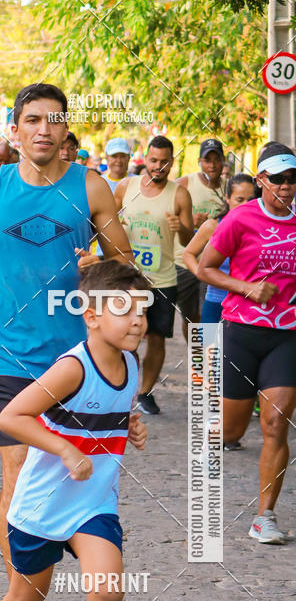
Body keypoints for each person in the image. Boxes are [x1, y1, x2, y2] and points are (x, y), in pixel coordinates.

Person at [0, 82, 133, 601]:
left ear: (65, 128)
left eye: (54, 120)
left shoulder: (91, 188)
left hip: (75, 361)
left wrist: (99, 262)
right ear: (15, 130)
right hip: (8, 353)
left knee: (43, 483)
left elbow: (125, 266)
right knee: (23, 474)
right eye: (32, 120)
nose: (43, 129)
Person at [0, 261, 150, 601]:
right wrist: (63, 448)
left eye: (142, 310)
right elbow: (13, 418)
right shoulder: (72, 368)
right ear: (92, 316)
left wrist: (131, 425)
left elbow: (114, 410)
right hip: (40, 505)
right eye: (124, 310)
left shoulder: (132, 364)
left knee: (108, 590)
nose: (137, 320)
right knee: (23, 600)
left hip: (93, 504)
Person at [198, 142, 296, 544]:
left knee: (275, 423)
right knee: (231, 431)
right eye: (278, 179)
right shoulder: (241, 219)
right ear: (261, 180)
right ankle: (209, 439)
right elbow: (203, 267)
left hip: (287, 335)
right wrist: (246, 288)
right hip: (241, 329)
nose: (287, 187)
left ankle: (265, 516)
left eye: (293, 179)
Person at [114, 135, 193, 414]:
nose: (158, 166)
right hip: (128, 279)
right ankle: (123, 387)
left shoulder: (179, 193)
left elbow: (188, 240)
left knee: (157, 337)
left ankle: (146, 392)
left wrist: (180, 227)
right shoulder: (126, 186)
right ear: (145, 159)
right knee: (124, 335)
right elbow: (107, 223)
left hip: (162, 279)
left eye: (164, 162)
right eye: (154, 160)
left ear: (172, 162)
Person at [183, 173, 255, 324]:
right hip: (215, 301)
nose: (245, 205)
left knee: (233, 348)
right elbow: (188, 254)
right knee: (204, 346)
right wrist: (201, 273)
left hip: (247, 305)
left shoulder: (262, 231)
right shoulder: (213, 226)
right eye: (239, 200)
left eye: (250, 200)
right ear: (227, 198)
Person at [174, 139, 227, 335]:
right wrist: (188, 219)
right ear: (199, 161)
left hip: (216, 264)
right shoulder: (185, 183)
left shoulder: (230, 188)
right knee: (190, 317)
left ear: (224, 161)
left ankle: (208, 360)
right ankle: (198, 361)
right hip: (186, 262)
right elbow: (165, 207)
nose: (212, 165)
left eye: (217, 159)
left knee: (209, 317)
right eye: (207, 160)